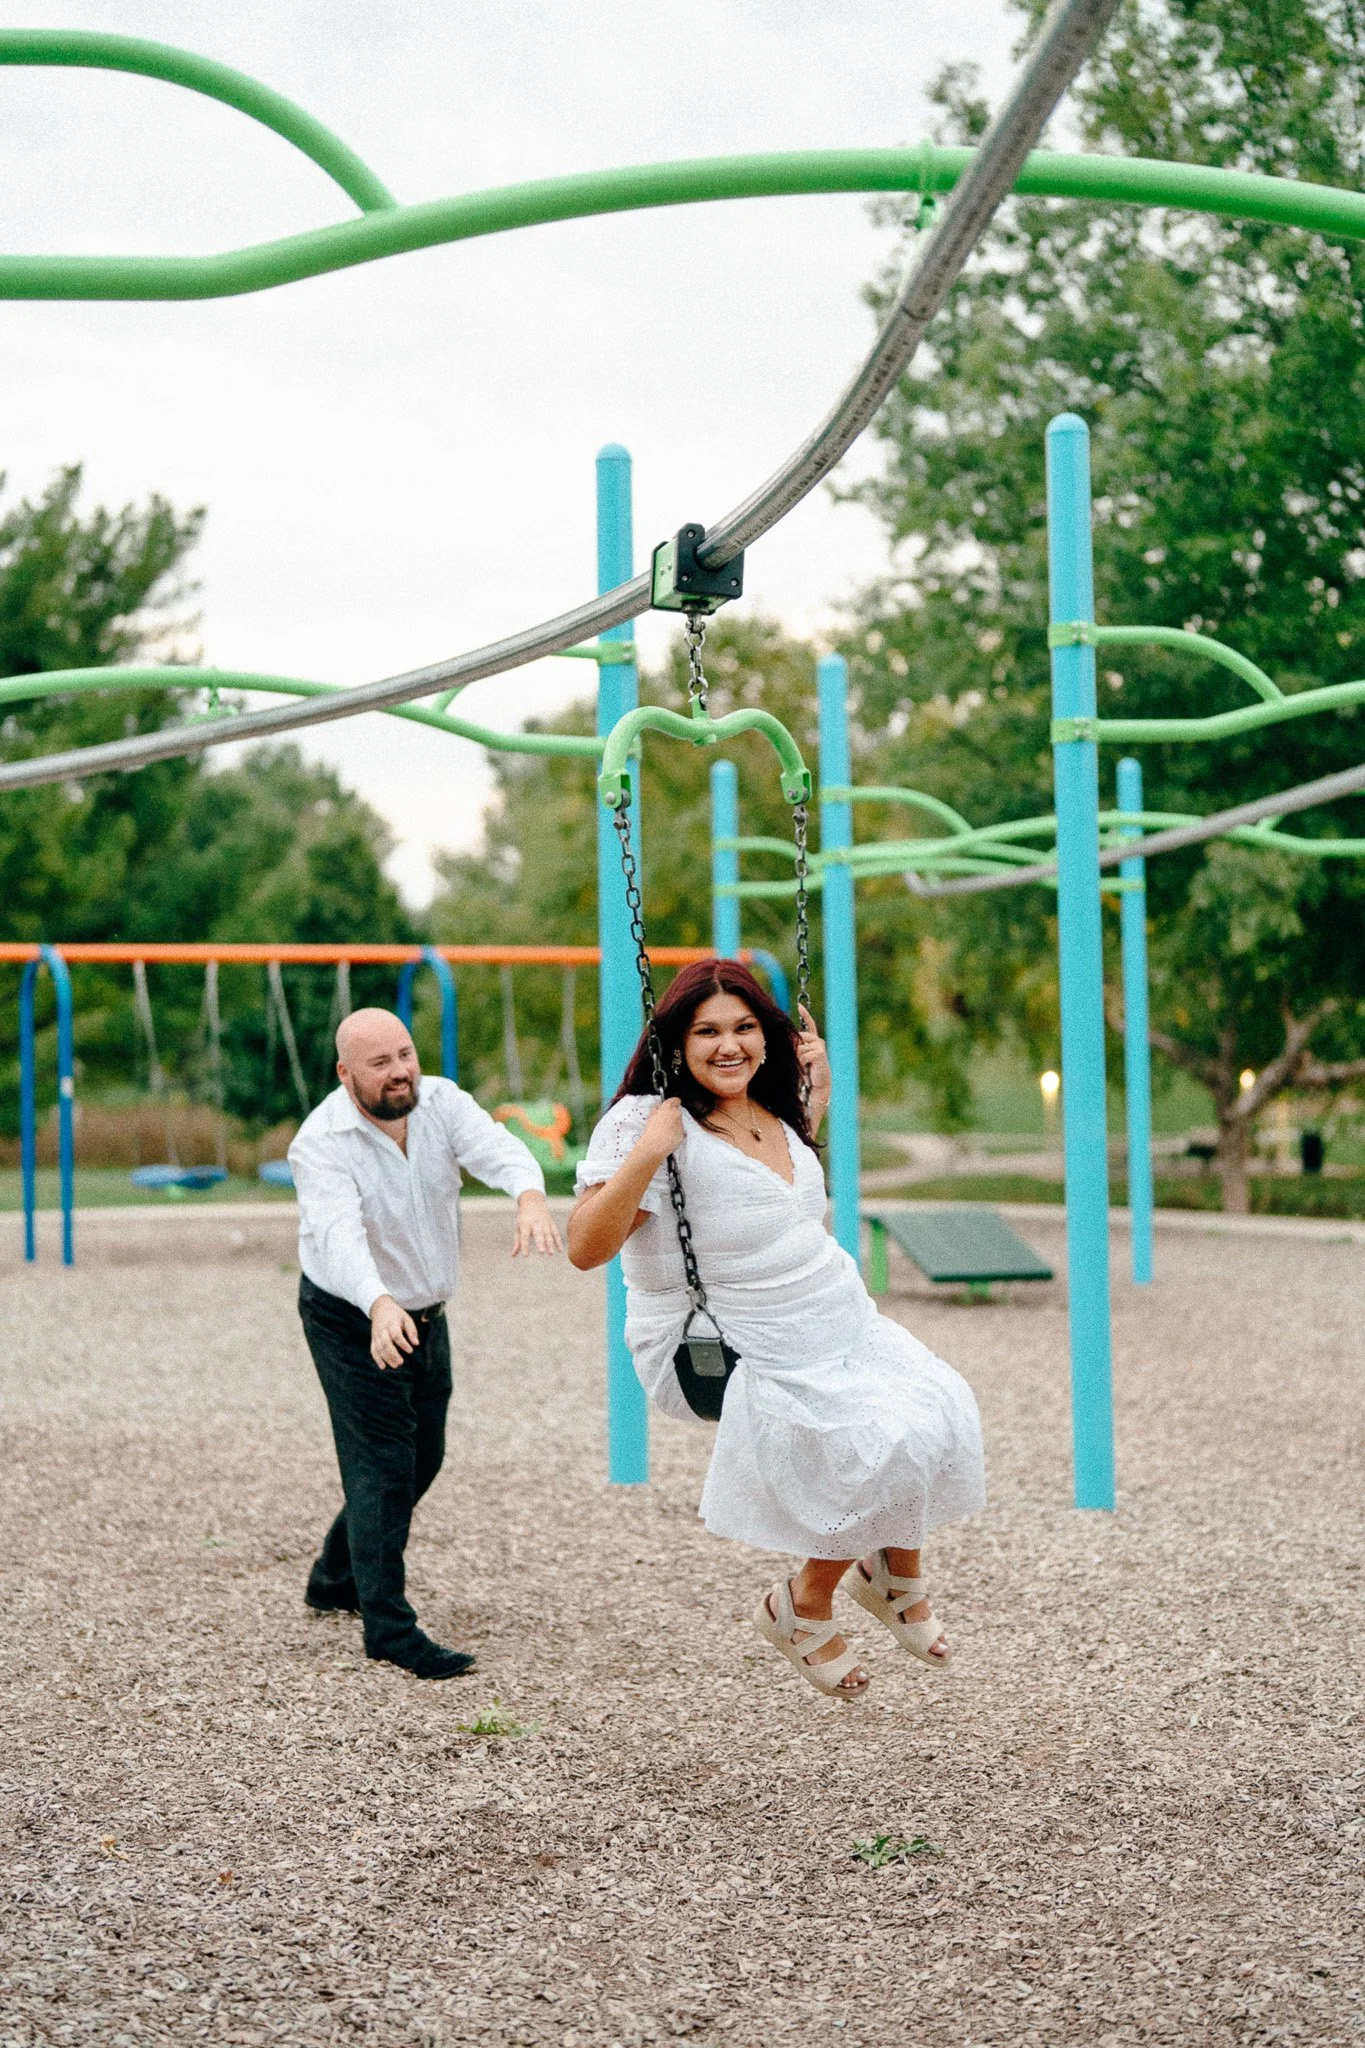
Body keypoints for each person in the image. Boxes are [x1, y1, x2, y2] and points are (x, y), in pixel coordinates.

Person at [567, 960, 984, 1701]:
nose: (728, 1046)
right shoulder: (646, 1119)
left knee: (941, 1411)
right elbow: (584, 1249)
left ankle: (891, 1574)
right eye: (706, 1032)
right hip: (732, 1341)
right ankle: (801, 1605)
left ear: (768, 1036)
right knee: (875, 1447)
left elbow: (764, 1199)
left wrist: (815, 1096)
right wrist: (647, 1153)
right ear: (675, 1041)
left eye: (743, 1028)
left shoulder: (772, 1104)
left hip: (835, 1317)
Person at [289, 1006, 562, 1680]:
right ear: (345, 1073)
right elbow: (337, 1234)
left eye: (404, 1054)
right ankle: (388, 1627)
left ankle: (333, 1577)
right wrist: (378, 1305)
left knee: (423, 1456)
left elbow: (498, 1150)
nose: (399, 1071)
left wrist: (529, 1196)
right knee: (381, 1464)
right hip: (351, 1315)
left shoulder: (441, 1102)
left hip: (423, 1312)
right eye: (379, 1063)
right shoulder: (319, 1142)